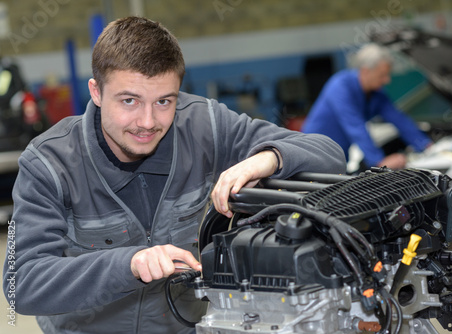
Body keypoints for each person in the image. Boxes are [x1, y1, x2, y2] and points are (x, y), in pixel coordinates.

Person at [2, 16, 346, 334]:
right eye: (129, 101)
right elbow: (21, 283)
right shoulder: (49, 162)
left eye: (164, 101)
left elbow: (328, 154)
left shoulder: (204, 125)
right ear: (96, 91)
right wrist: (130, 263)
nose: (148, 121)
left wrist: (268, 159)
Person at [301, 43, 432, 170]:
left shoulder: (376, 93)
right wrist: (379, 162)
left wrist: (426, 145)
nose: (387, 80)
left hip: (339, 155)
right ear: (365, 71)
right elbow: (356, 127)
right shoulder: (340, 86)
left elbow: (398, 118)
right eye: (382, 75)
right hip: (314, 154)